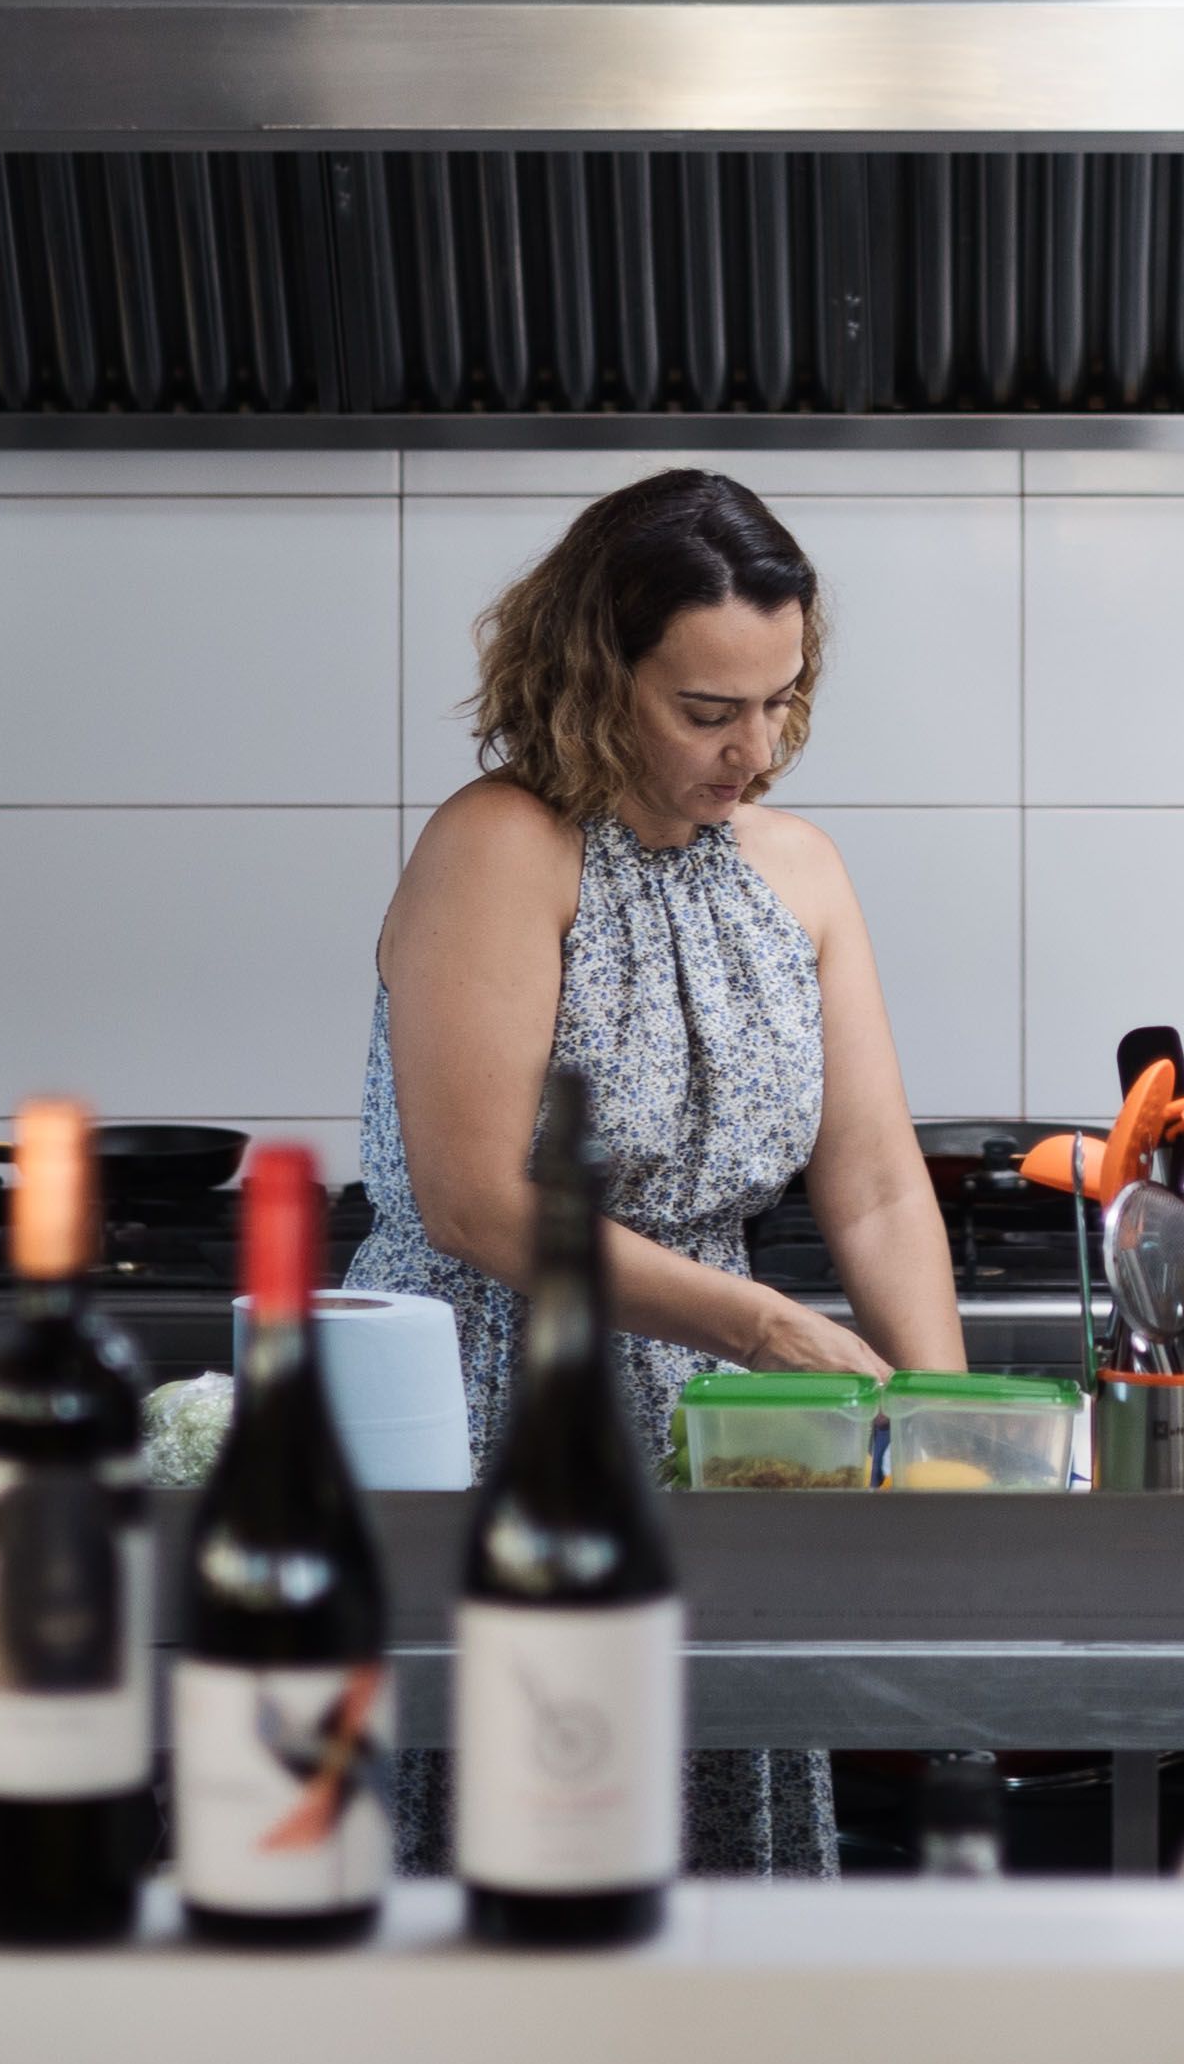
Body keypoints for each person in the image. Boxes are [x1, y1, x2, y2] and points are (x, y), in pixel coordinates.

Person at [345, 469, 960, 1875]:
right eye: (708, 710)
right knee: (516, 1838)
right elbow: (477, 1202)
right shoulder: (500, 847)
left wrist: (947, 1432)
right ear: (594, 677)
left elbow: (875, 1188)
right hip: (495, 1403)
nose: (758, 750)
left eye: (781, 701)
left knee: (709, 1844)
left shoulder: (800, 873)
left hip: (724, 1434)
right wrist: (768, 1329)